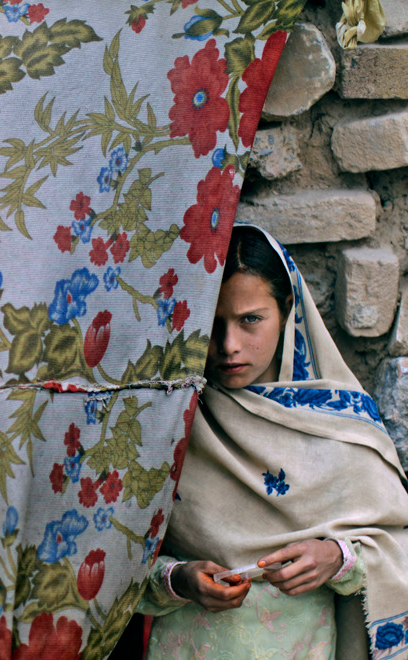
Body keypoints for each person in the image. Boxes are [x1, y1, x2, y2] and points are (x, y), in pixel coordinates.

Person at [138, 224, 408, 659]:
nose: (228, 345)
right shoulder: (169, 421)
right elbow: (112, 557)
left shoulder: (341, 425)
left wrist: (336, 558)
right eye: (212, 323)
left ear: (288, 310)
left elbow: (396, 545)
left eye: (250, 320)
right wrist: (178, 578)